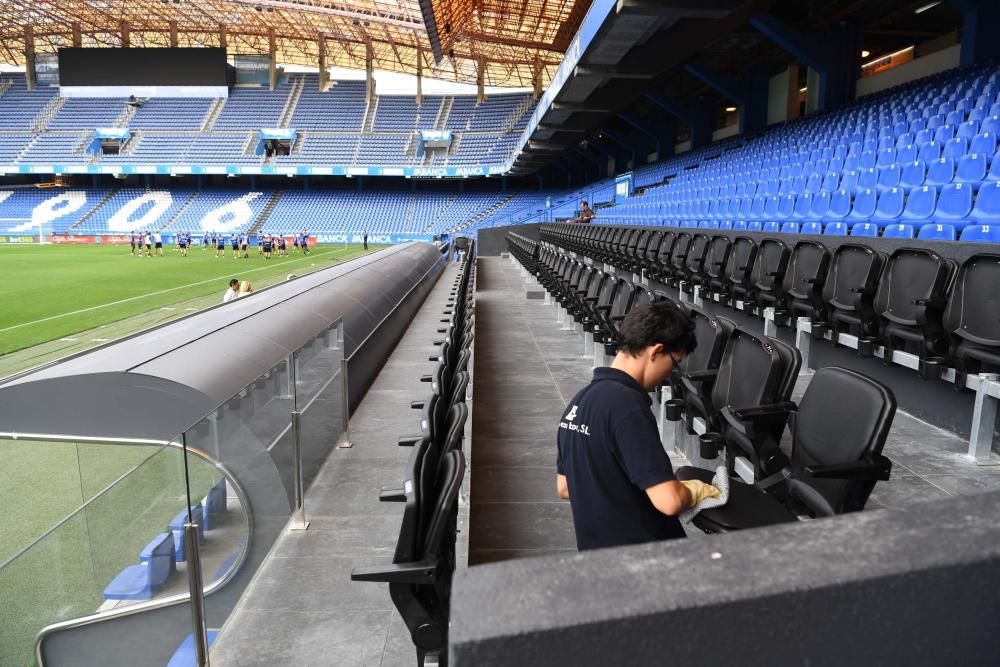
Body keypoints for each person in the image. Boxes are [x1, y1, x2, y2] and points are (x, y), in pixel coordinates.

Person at [555, 302, 719, 551]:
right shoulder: (628, 408)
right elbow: (669, 501)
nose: (669, 374)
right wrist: (692, 491)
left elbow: (565, 488)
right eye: (674, 364)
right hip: (644, 561)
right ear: (656, 351)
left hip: (596, 559)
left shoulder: (579, 402)